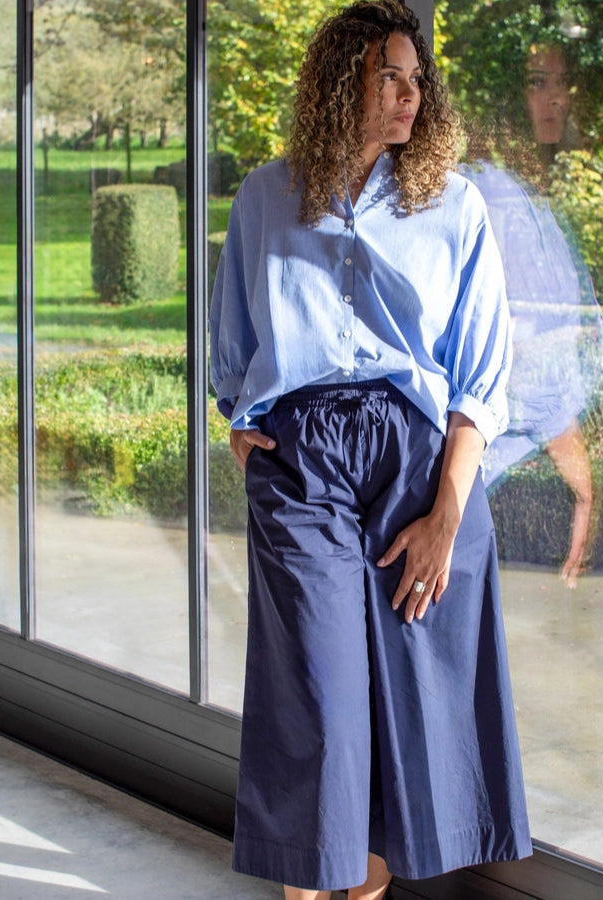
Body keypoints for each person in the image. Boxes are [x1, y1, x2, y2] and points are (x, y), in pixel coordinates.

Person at [209, 2, 532, 898]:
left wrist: (445, 514)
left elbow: (479, 381)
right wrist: (261, 459)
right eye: (389, 75)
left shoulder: (453, 205)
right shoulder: (266, 196)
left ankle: (366, 888)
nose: (408, 95)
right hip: (301, 460)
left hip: (415, 465)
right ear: (340, 79)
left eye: (416, 79)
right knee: (318, 701)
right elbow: (233, 362)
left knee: (402, 710)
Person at [464, 40, 603, 588]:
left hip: (512, 474)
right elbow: (520, 357)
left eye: (562, 82)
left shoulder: (531, 198)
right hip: (500, 484)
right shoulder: (497, 199)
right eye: (537, 82)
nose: (556, 100)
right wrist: (582, 485)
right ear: (507, 100)